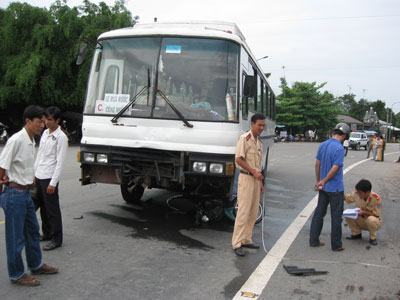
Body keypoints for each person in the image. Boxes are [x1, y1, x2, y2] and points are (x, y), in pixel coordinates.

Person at [0, 105, 58, 287]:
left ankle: (36, 265)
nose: (42, 125)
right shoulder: (16, 140)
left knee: (32, 232)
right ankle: (17, 274)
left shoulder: (32, 141)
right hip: (14, 194)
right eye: (39, 121)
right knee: (15, 237)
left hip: (25, 193)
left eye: (43, 121)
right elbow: (2, 167)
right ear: (28, 121)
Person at [309, 123, 350, 252]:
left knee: (319, 214)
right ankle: (336, 245)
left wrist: (319, 181)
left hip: (324, 188)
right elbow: (336, 167)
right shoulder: (339, 148)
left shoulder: (323, 145)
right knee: (336, 216)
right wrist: (325, 180)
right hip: (336, 188)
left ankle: (313, 240)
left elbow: (317, 164)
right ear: (343, 135)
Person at [34, 106, 68, 251]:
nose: (46, 122)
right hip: (40, 175)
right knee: (42, 208)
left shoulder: (61, 137)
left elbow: (59, 162)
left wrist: (53, 182)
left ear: (57, 120)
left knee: (52, 210)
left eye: (50, 120)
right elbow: (40, 155)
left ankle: (56, 239)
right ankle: (47, 233)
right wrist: (34, 174)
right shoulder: (45, 133)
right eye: (45, 119)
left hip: (49, 178)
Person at [232, 113, 265, 257]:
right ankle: (237, 242)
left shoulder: (259, 142)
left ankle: (246, 239)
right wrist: (253, 172)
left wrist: (260, 181)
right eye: (259, 125)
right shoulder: (244, 139)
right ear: (252, 124)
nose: (262, 128)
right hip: (246, 178)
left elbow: (259, 165)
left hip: (256, 180)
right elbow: (239, 159)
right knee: (243, 211)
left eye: (263, 125)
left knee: (253, 212)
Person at [344, 179, 381, 246]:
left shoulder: (375, 198)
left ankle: (373, 238)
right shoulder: (356, 194)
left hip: (373, 222)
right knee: (348, 214)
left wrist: (364, 212)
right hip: (361, 219)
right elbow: (347, 198)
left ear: (367, 192)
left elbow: (376, 215)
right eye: (357, 192)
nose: (358, 194)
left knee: (371, 220)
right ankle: (356, 234)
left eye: (360, 193)